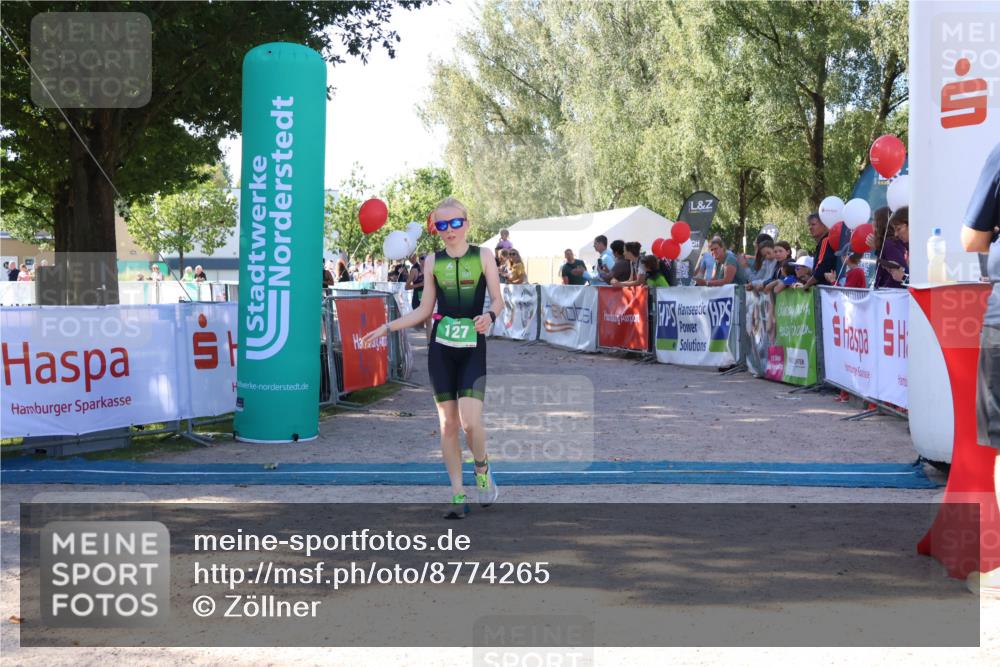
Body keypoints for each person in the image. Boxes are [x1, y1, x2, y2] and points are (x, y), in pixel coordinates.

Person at [360, 197, 503, 519]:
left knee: (470, 422)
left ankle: (481, 466)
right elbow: (425, 310)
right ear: (436, 229)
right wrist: (387, 326)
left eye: (455, 223)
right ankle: (457, 495)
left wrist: (490, 316)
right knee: (448, 424)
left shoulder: (483, 255)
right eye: (442, 225)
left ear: (466, 224)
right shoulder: (431, 262)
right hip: (440, 348)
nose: (449, 230)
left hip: (472, 347)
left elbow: (498, 299)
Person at [802, 212, 837, 289]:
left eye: (813, 224)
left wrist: (807, 285)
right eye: (809, 225)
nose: (810, 227)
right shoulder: (823, 242)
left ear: (824, 225)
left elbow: (821, 269)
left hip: (825, 290)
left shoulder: (826, 241)